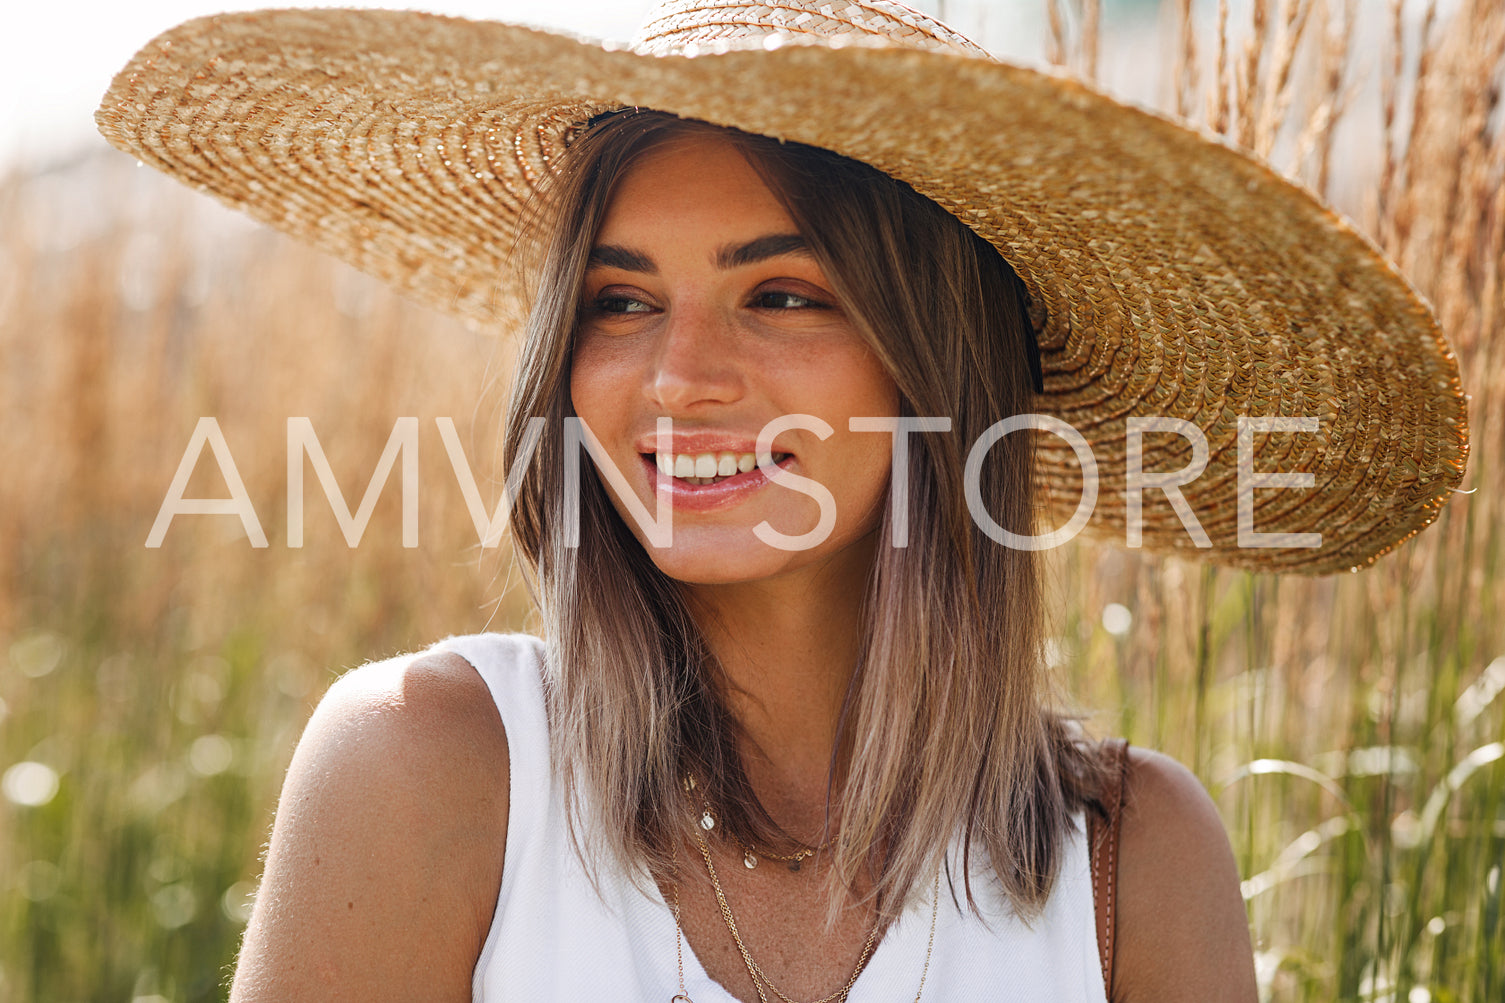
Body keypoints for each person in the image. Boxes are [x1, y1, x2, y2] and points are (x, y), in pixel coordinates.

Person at [96, 2, 1468, 1001]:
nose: (677, 380)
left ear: (939, 367)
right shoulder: (429, 769)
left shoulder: (1128, 861)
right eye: (618, 301)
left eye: (782, 294)